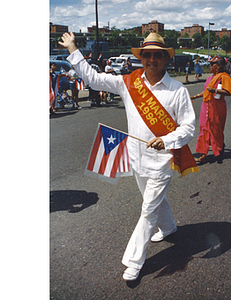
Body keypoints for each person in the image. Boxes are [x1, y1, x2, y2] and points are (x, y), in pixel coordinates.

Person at [59, 32, 198, 281]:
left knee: (147, 210)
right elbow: (92, 79)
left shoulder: (177, 90)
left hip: (162, 162)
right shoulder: (128, 82)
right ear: (141, 58)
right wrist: (73, 49)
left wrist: (166, 140)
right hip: (137, 159)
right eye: (147, 54)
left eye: (158, 55)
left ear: (166, 59)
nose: (152, 59)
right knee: (152, 201)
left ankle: (134, 261)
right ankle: (169, 228)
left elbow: (188, 127)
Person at [191, 56, 231, 164]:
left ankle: (219, 150)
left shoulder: (224, 77)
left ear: (218, 66)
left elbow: (229, 92)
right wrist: (195, 96)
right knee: (204, 130)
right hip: (205, 107)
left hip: (217, 108)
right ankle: (203, 154)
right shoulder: (210, 78)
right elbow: (206, 91)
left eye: (212, 64)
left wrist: (216, 90)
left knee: (216, 130)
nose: (210, 66)